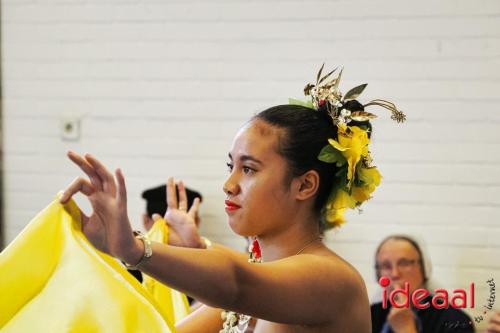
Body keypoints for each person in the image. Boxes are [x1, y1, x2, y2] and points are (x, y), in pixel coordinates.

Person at [59, 66, 402, 332]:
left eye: (249, 169)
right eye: (231, 166)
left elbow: (236, 283)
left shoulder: (332, 279)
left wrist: (132, 249)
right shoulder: (258, 278)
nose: (228, 184)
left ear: (304, 185)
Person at [371, 235, 475, 333]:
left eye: (404, 263)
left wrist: (406, 329)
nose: (395, 274)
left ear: (423, 270)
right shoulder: (370, 314)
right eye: (386, 266)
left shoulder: (455, 321)